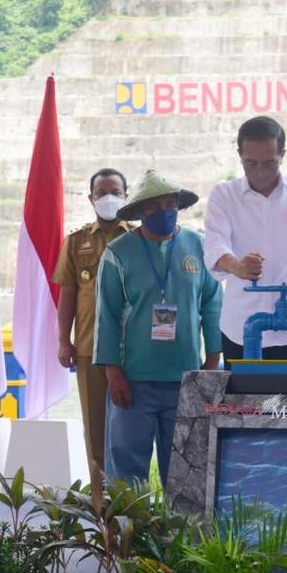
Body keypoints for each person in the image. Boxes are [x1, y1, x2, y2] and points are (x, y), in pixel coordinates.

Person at [93, 169, 223, 486]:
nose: (163, 211)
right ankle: (126, 534)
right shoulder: (117, 253)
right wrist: (113, 373)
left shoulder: (200, 247)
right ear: (139, 212)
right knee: (126, 471)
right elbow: (106, 315)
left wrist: (212, 361)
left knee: (183, 468)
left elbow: (212, 304)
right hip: (132, 382)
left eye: (170, 203)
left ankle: (176, 535)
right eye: (154, 206)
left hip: (186, 379)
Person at [203, 116, 287, 365]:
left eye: (269, 164)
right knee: (247, 405)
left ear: (283, 155)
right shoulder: (223, 195)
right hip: (240, 328)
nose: (259, 172)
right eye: (250, 163)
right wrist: (237, 266)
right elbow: (214, 245)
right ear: (239, 155)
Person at [54, 168, 131, 495]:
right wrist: (63, 340)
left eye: (115, 191)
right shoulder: (76, 241)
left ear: (127, 196)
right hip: (89, 347)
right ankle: (102, 506)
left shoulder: (138, 238)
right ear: (91, 198)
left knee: (131, 431)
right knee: (96, 431)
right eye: (101, 193)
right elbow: (67, 294)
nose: (108, 198)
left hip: (134, 350)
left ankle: (132, 499)